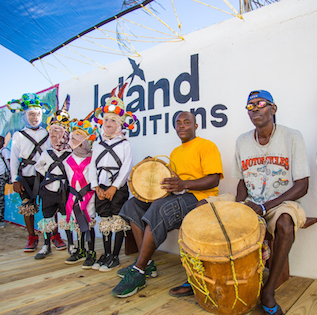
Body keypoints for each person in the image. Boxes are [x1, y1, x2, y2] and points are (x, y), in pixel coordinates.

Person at [111, 111, 224, 298]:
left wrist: (184, 184)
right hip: (178, 197)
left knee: (160, 207)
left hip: (199, 198)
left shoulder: (206, 146)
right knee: (133, 205)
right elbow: (173, 183)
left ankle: (138, 271)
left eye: (187, 122)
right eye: (178, 123)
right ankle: (146, 264)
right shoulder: (175, 152)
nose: (182, 126)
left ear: (195, 126)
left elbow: (213, 180)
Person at [234, 90, 310, 315]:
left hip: (280, 203)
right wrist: (240, 207)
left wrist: (265, 206)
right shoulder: (242, 141)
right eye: (250, 106)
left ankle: (268, 291)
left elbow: (302, 185)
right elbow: (242, 181)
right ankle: (211, 280)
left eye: (261, 104)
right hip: (253, 203)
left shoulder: (292, 136)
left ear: (273, 109)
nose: (255, 109)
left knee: (285, 223)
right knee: (209, 208)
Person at [7, 93, 66, 252]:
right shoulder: (18, 135)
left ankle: (55, 235)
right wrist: (14, 179)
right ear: (24, 115)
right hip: (26, 177)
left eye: (38, 114)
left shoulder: (47, 133)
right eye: (31, 114)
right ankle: (32, 237)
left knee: (50, 206)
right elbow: (13, 158)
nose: (35, 117)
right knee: (28, 206)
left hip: (46, 175)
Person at [89, 84, 136, 272]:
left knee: (117, 221)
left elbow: (126, 168)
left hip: (117, 188)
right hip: (101, 187)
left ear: (120, 124)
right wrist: (96, 187)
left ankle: (115, 256)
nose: (108, 124)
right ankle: (107, 253)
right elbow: (92, 166)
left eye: (113, 121)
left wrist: (114, 187)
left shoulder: (125, 144)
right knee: (105, 220)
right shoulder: (98, 145)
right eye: (106, 120)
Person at [33, 97, 72, 259]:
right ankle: (46, 245)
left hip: (65, 191)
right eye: (52, 132)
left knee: (67, 219)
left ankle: (72, 245)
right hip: (48, 191)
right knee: (48, 218)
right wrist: (50, 178)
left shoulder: (70, 154)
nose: (55, 136)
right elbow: (39, 168)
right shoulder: (46, 153)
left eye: (59, 132)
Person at [61, 115, 99, 269]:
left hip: (88, 195)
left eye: (79, 139)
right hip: (73, 196)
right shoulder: (67, 160)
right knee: (76, 223)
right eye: (74, 138)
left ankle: (91, 252)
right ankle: (80, 250)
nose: (75, 142)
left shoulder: (93, 159)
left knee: (88, 222)